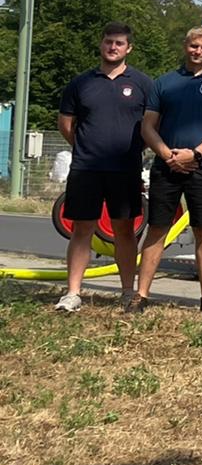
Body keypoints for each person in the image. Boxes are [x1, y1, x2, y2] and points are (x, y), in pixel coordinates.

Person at [54, 22, 155, 312]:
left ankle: (127, 292)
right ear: (101, 44)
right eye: (109, 42)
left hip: (125, 169)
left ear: (129, 48)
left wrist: (135, 149)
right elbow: (65, 124)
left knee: (124, 230)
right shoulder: (80, 83)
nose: (113, 47)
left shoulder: (143, 83)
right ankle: (73, 293)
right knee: (82, 229)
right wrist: (86, 147)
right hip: (86, 169)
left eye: (119, 43)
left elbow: (152, 124)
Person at [135, 27, 202, 312]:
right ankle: (141, 294)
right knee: (157, 228)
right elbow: (147, 127)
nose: (198, 52)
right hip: (166, 166)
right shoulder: (164, 83)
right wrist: (169, 155)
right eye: (194, 46)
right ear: (185, 46)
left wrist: (195, 153)